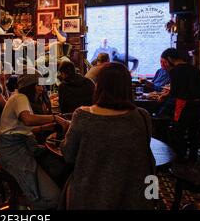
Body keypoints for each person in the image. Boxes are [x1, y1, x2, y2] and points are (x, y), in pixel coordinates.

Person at [60, 62, 156, 210]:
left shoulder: (82, 115)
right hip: (132, 197)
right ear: (127, 87)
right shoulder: (143, 116)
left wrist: (68, 130)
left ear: (98, 85)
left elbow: (68, 155)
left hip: (89, 196)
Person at [0, 70, 70, 210]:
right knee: (51, 198)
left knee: (57, 165)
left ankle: (27, 197)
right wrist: (56, 118)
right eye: (38, 85)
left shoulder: (19, 98)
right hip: (13, 152)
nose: (42, 88)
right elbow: (28, 120)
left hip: (21, 146)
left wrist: (46, 127)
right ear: (29, 86)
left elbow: (21, 130)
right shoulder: (20, 98)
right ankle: (25, 201)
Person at [159, 48, 200, 160]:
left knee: (178, 132)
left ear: (170, 58)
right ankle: (193, 157)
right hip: (196, 107)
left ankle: (180, 157)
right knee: (193, 133)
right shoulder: (195, 69)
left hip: (183, 106)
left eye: (165, 61)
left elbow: (174, 93)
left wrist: (164, 96)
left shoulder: (175, 71)